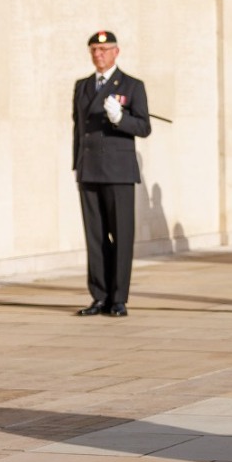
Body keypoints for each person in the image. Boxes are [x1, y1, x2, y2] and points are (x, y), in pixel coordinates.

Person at [72, 30, 151, 317]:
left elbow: (144, 127)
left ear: (116, 52)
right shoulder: (82, 86)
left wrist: (121, 118)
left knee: (120, 234)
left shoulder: (131, 86)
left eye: (104, 50)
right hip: (90, 169)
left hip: (118, 171)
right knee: (94, 237)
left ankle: (118, 298)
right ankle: (99, 295)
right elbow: (78, 129)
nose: (98, 55)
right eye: (94, 49)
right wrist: (77, 165)